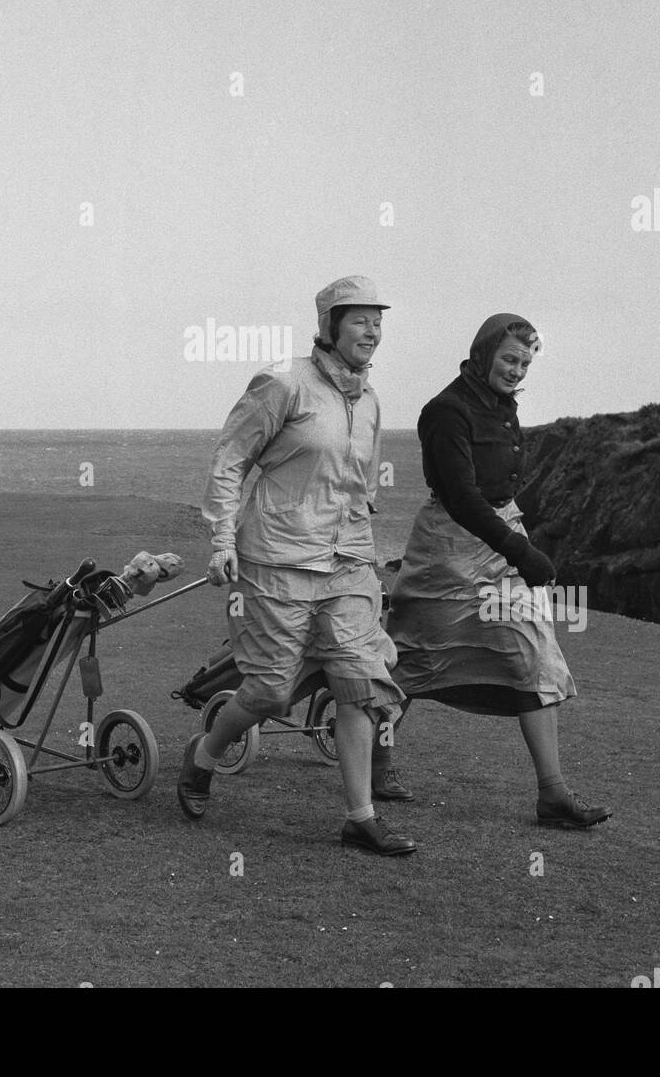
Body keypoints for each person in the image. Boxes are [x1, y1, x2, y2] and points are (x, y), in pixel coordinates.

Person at [177, 276, 416, 856]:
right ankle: (205, 755)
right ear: (330, 325)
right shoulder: (284, 383)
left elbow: (361, 484)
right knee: (269, 693)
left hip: (348, 561)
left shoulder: (373, 402)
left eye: (378, 321)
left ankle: (360, 817)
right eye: (360, 320)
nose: (372, 330)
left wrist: (370, 545)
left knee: (361, 684)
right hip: (277, 560)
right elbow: (231, 459)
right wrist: (222, 540)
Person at [373, 313, 611, 829]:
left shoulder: (503, 406)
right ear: (484, 353)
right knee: (412, 656)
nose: (517, 370)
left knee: (532, 648)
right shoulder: (445, 411)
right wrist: (521, 550)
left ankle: (553, 793)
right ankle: (376, 758)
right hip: (448, 545)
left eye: (525, 362)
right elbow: (460, 496)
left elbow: (498, 489)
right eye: (509, 358)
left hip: (502, 539)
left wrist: (516, 545)